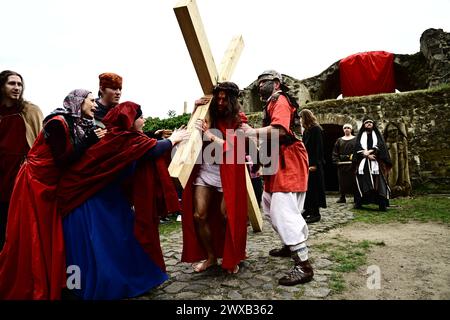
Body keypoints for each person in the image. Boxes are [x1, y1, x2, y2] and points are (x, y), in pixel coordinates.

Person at [56, 101, 189, 300]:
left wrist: (168, 139)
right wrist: (174, 140)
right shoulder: (121, 138)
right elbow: (150, 150)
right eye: (141, 117)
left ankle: (127, 278)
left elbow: (144, 147)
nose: (144, 121)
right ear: (131, 120)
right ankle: (105, 284)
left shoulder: (122, 137)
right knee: (102, 244)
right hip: (89, 198)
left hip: (106, 196)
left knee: (122, 237)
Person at [0, 89, 105, 300]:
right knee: (33, 235)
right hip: (36, 183)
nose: (96, 105)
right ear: (79, 102)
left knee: (50, 236)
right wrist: (90, 141)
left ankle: (56, 281)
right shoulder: (58, 122)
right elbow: (63, 159)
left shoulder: (77, 123)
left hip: (49, 184)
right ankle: (33, 282)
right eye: (92, 101)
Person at [244, 70, 313, 286]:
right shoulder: (271, 102)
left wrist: (251, 131)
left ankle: (303, 265)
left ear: (275, 83)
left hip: (289, 157)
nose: (259, 86)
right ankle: (289, 243)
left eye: (262, 82)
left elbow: (281, 132)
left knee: (283, 211)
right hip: (277, 159)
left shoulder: (280, 99)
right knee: (268, 205)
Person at [181, 82, 248, 275]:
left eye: (224, 98)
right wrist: (196, 109)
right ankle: (210, 257)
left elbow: (235, 146)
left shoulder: (239, 119)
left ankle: (233, 255)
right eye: (217, 97)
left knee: (228, 216)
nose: (220, 102)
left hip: (228, 172)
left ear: (232, 100)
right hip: (206, 169)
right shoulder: (208, 114)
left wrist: (209, 135)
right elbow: (193, 130)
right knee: (199, 215)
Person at [0, 70, 43, 250]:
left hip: (20, 171)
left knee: (17, 218)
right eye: (12, 83)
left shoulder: (29, 110)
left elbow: (40, 142)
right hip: (1, 168)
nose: (17, 87)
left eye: (19, 84)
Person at [352, 118, 392, 211]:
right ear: (364, 125)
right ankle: (359, 203)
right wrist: (365, 154)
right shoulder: (360, 136)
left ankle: (382, 205)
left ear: (373, 124)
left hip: (377, 163)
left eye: (370, 122)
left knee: (380, 184)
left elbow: (381, 146)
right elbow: (357, 147)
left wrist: (371, 151)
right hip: (363, 163)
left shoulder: (378, 136)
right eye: (367, 122)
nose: (369, 124)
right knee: (362, 183)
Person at [300, 109, 327, 223]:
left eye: (301, 118)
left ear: (305, 117)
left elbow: (318, 148)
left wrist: (315, 164)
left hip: (314, 163)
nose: (300, 120)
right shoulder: (307, 130)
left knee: (314, 188)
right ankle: (308, 209)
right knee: (308, 188)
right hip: (307, 163)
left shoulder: (316, 129)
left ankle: (315, 213)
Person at [332, 123, 357, 203]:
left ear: (351, 129)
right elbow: (335, 152)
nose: (347, 129)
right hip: (342, 164)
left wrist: (355, 159)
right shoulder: (339, 140)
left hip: (352, 164)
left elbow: (358, 150)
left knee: (354, 181)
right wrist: (337, 161)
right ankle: (342, 197)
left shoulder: (356, 139)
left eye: (348, 128)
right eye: (345, 128)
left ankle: (356, 197)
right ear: (343, 130)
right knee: (342, 181)